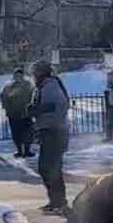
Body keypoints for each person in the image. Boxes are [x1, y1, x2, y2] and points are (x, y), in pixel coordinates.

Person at [29, 60, 71, 215]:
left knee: (50, 168)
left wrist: (38, 110)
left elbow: (60, 106)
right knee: (48, 168)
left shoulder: (50, 85)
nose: (33, 75)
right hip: (49, 131)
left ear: (41, 72)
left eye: (35, 72)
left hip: (55, 131)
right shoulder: (44, 85)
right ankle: (56, 201)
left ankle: (59, 202)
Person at [1, 68, 35, 158]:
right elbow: (3, 97)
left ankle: (27, 150)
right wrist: (6, 108)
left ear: (23, 76)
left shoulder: (28, 85)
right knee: (16, 133)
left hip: (26, 113)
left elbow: (34, 96)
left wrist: (32, 108)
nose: (18, 77)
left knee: (28, 133)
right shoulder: (9, 86)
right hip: (13, 113)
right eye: (16, 75)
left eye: (20, 75)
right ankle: (19, 150)